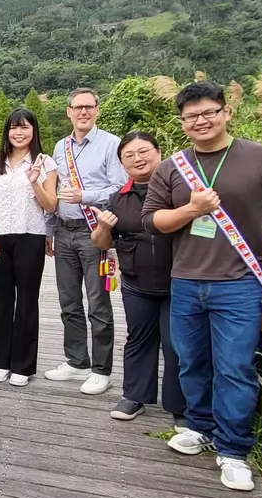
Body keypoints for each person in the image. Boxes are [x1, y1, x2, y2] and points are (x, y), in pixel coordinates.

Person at [142, 82, 262, 491]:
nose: (201, 121)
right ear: (182, 123)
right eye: (191, 116)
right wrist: (191, 209)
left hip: (240, 284)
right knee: (190, 360)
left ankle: (233, 449)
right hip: (186, 280)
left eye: (209, 112)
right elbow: (153, 221)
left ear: (226, 112)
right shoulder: (172, 167)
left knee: (235, 366)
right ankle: (199, 426)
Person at [90, 132, 186, 427]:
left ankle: (179, 407)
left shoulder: (180, 191)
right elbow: (103, 243)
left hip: (178, 283)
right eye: (129, 156)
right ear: (122, 163)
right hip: (136, 283)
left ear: (159, 152)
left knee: (176, 344)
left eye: (143, 152)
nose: (138, 159)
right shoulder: (118, 199)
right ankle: (134, 396)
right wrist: (104, 227)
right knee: (139, 339)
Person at [47, 87, 127, 395]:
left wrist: (86, 195)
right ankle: (77, 360)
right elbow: (55, 190)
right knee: (68, 301)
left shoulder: (110, 144)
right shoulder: (60, 147)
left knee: (98, 301)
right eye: (77, 107)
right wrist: (50, 231)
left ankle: (101, 369)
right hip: (64, 230)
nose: (83, 112)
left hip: (95, 232)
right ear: (68, 111)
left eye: (89, 107)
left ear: (97, 109)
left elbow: (119, 188)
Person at [0, 109, 59, 387]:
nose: (19, 132)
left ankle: (23, 366)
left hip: (31, 236)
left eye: (25, 127)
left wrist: (34, 180)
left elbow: (51, 205)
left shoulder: (45, 162)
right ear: (7, 131)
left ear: (33, 131)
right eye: (14, 127)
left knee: (27, 300)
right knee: (2, 300)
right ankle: (2, 361)